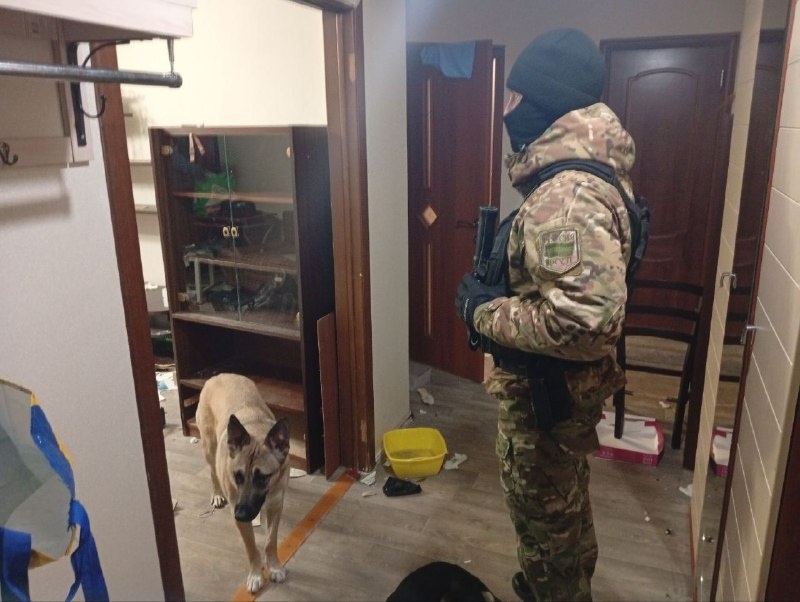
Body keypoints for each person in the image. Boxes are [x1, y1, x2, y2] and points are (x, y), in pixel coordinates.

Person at [455, 28, 636, 601]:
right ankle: (560, 581)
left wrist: (483, 312)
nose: (507, 109)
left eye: (515, 97)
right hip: (557, 394)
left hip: (544, 398)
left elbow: (585, 322)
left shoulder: (568, 196)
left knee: (546, 519)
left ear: (545, 101)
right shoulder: (580, 178)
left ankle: (555, 588)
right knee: (565, 505)